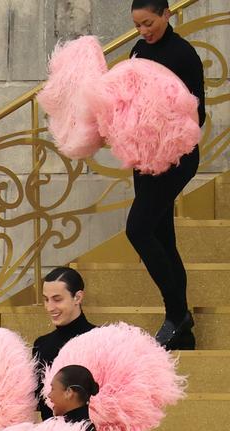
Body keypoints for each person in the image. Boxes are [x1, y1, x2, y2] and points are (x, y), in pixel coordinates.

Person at [127, 0, 204, 349]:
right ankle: (181, 321)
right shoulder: (138, 50)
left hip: (176, 158)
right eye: (138, 25)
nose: (144, 31)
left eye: (148, 23)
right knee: (163, 237)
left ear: (166, 15)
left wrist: (159, 124)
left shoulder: (184, 55)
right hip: (143, 159)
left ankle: (175, 313)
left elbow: (196, 116)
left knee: (138, 229)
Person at [32, 267, 95, 420]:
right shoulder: (42, 345)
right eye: (46, 299)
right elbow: (38, 401)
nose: (50, 307)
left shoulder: (102, 339)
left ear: (78, 297)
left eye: (57, 299)